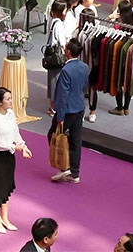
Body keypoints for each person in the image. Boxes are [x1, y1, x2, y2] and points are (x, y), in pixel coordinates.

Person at [0, 87, 32, 233]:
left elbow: (15, 132)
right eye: (8, 99)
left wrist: (23, 146)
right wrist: (14, 147)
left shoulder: (11, 114)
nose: (11, 101)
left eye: (11, 98)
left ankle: (5, 218)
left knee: (6, 187)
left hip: (9, 157)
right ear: (0, 102)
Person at [49, 39, 89, 184]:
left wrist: (60, 116)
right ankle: (74, 172)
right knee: (76, 139)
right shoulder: (84, 67)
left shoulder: (66, 70)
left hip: (67, 110)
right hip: (79, 107)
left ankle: (64, 166)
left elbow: (63, 95)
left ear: (69, 52)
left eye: (66, 48)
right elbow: (84, 86)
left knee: (53, 135)